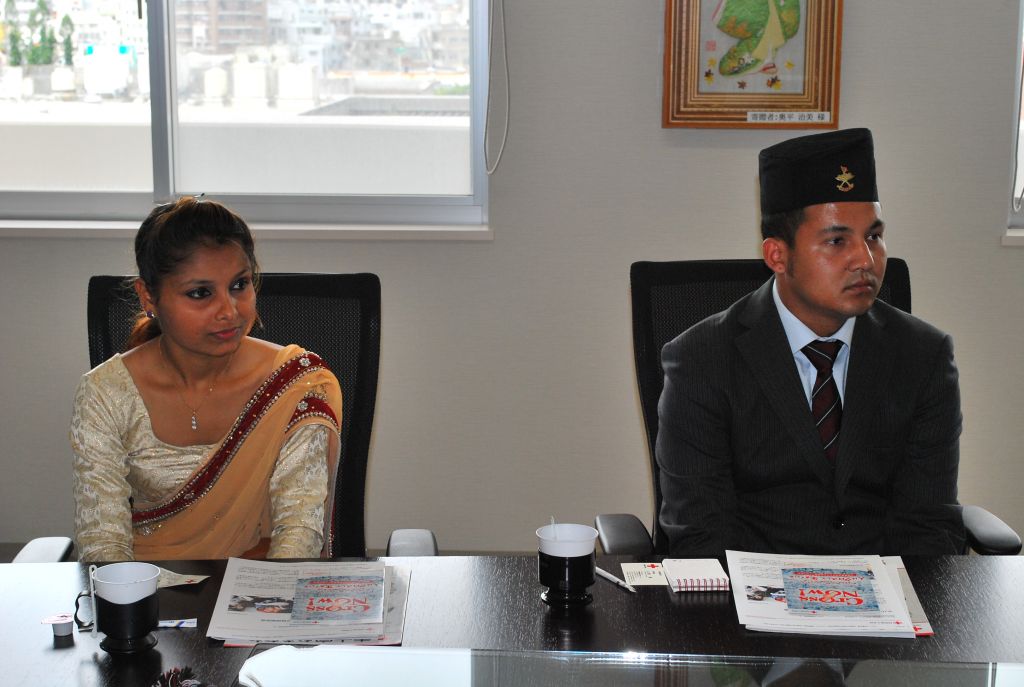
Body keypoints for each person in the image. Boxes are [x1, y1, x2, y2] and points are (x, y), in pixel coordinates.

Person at [656, 128, 965, 556]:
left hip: (884, 587)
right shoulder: (700, 359)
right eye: (837, 241)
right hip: (751, 589)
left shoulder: (924, 356)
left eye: (873, 236)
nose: (865, 260)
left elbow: (928, 524)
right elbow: (701, 534)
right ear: (777, 256)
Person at [71, 196, 343, 561]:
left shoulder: (296, 383)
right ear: (148, 296)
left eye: (239, 285)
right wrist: (130, 594)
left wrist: (262, 596)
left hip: (263, 583)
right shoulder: (105, 393)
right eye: (200, 293)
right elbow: (103, 541)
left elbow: (298, 535)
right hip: (148, 582)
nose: (229, 311)